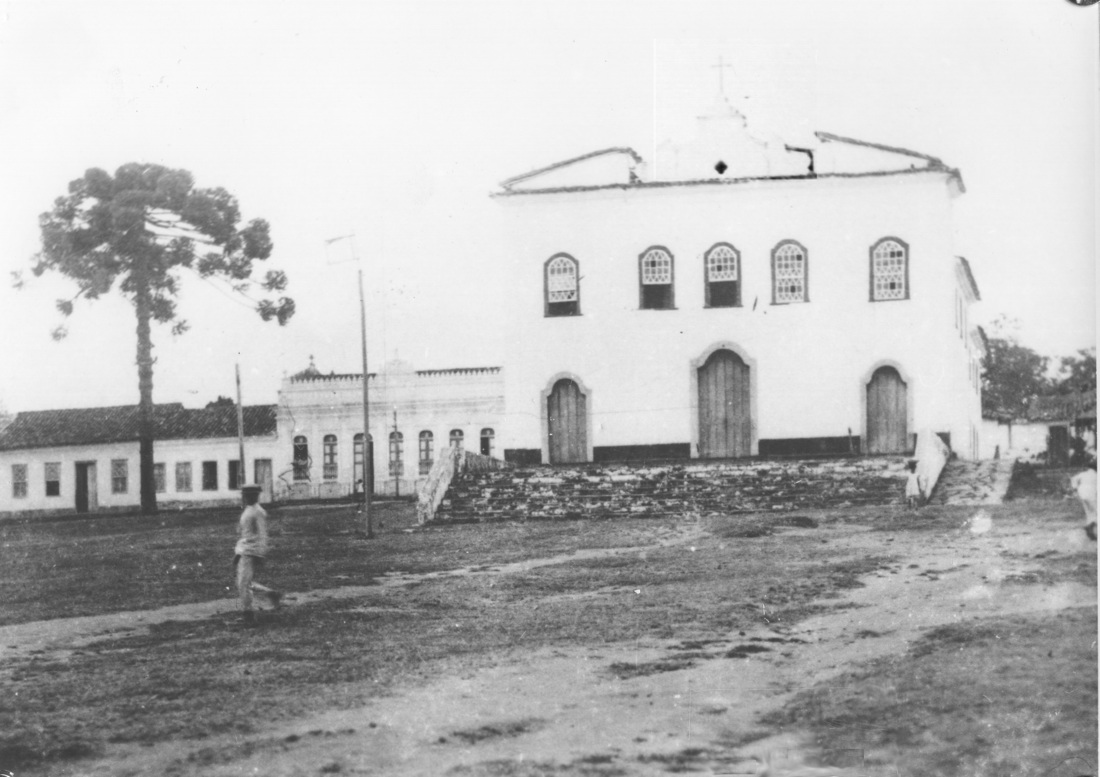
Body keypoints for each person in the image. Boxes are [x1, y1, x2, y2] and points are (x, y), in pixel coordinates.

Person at [234, 484, 282, 624]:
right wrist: (237, 552)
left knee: (243, 583)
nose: (245, 497)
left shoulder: (258, 512)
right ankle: (271, 594)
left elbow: (262, 535)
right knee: (244, 582)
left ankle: (248, 616)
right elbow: (245, 534)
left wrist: (260, 553)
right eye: (244, 495)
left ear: (255, 495)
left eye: (248, 494)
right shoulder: (248, 510)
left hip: (252, 552)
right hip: (244, 551)